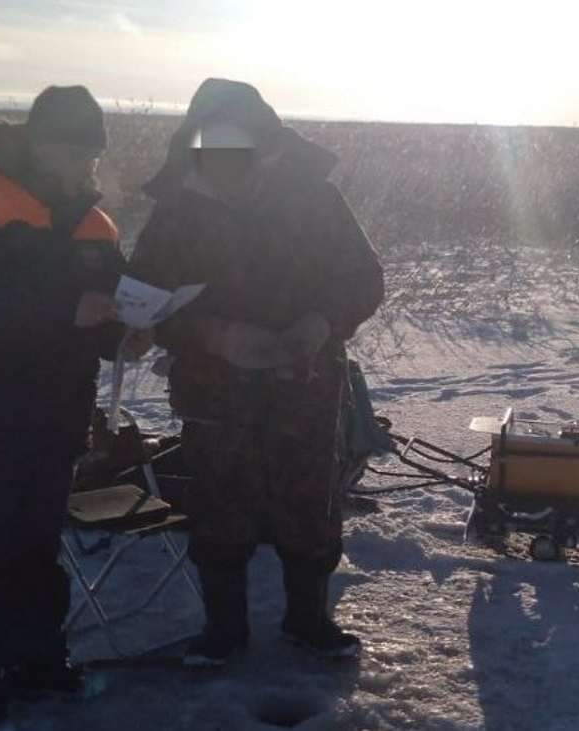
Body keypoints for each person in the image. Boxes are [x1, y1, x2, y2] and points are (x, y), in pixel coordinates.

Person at [0, 85, 151, 731]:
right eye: (69, 147)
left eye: (90, 151)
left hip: (52, 418)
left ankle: (37, 664)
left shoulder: (96, 223)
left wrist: (128, 331)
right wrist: (60, 309)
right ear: (36, 138)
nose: (81, 162)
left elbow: (104, 307)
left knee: (35, 552)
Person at [130, 78, 384, 668]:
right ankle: (224, 631)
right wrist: (213, 336)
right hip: (213, 391)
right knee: (220, 506)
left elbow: (364, 278)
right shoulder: (178, 209)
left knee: (309, 502)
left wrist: (321, 323)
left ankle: (309, 621)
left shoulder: (315, 199)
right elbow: (143, 299)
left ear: (265, 146)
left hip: (307, 383)